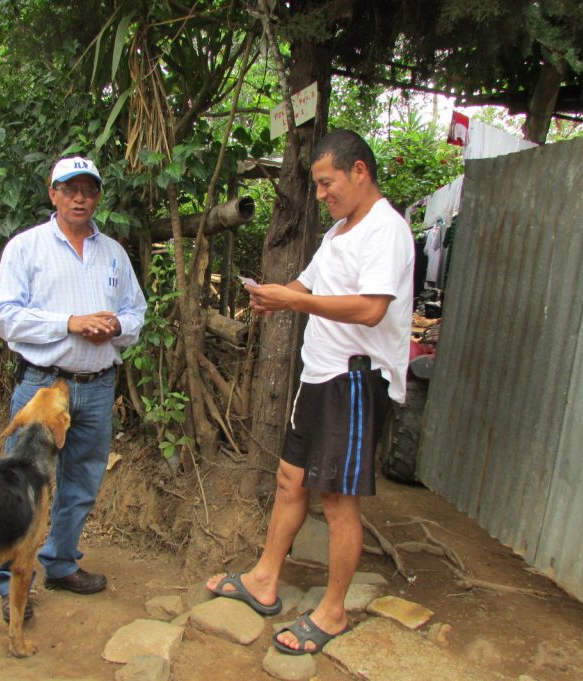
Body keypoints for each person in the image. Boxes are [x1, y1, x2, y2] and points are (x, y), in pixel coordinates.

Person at [206, 129, 413, 655]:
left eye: (327, 183)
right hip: (318, 374)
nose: (321, 194)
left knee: (337, 500)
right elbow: (309, 285)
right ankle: (264, 580)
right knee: (289, 480)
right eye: (317, 185)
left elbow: (370, 308)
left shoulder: (386, 231)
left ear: (359, 172)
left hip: (355, 380)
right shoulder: (340, 232)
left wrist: (293, 303)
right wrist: (274, 298)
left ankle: (334, 611)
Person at [0, 156, 146, 616]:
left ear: (97, 196)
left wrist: (115, 326)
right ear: (52, 193)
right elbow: (4, 317)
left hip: (97, 386)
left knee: (82, 480)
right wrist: (70, 323)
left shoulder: (113, 252)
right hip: (42, 386)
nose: (80, 198)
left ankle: (59, 563)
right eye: (70, 189)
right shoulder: (26, 248)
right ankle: (5, 582)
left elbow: (137, 312)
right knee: (20, 483)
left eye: (89, 190)